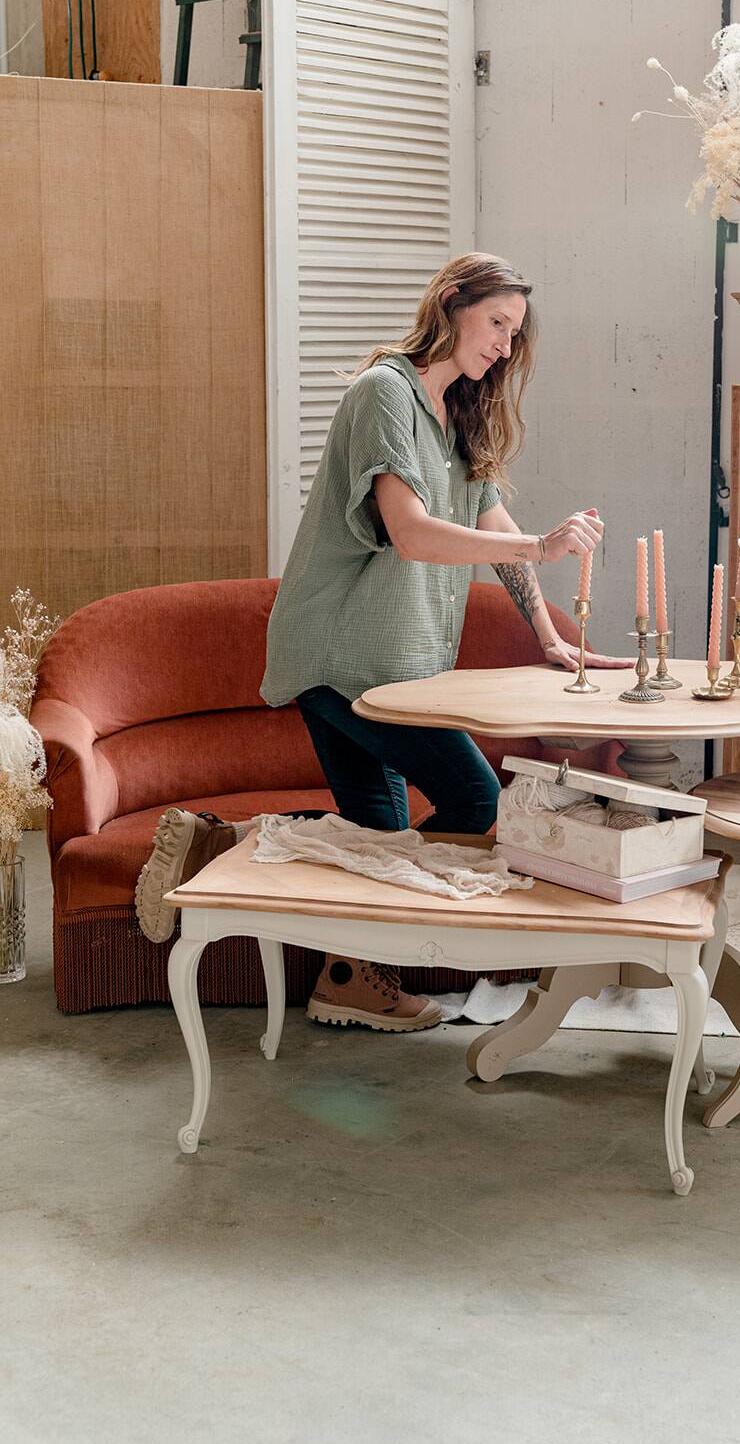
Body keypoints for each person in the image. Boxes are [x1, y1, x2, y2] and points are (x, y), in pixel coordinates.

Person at [136, 252, 630, 1029]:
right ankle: (253, 858)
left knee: (377, 830)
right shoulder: (384, 393)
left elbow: (492, 525)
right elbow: (408, 533)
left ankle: (327, 955)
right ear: (451, 304)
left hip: (398, 663)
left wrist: (546, 634)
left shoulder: (460, 411)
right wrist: (542, 546)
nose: (504, 345)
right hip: (341, 655)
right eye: (496, 322)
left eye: (515, 334)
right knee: (471, 798)